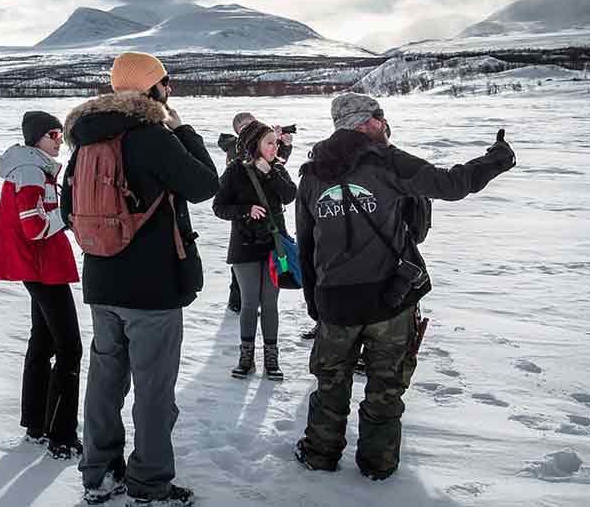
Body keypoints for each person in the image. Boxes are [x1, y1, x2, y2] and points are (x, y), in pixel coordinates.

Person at [294, 92, 516, 480]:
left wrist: (315, 303)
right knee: (385, 389)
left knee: (330, 385)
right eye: (379, 117)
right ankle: (378, 465)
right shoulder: (388, 161)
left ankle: (319, 456)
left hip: (335, 304)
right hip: (389, 304)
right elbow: (451, 184)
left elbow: (306, 245)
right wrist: (497, 159)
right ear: (365, 122)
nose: (384, 123)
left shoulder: (312, 175)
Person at [61, 52, 218, 507]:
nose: (170, 89)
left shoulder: (86, 141)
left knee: (105, 381)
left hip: (101, 283)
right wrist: (183, 130)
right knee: (153, 388)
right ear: (152, 88)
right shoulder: (153, 137)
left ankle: (99, 473)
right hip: (152, 289)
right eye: (166, 82)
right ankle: (149, 484)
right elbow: (205, 185)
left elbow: (70, 210)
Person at [0, 111, 83, 459]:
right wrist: (70, 214)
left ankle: (35, 424)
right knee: (69, 348)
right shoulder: (31, 171)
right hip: (42, 268)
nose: (59, 138)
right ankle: (61, 436)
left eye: (60, 133)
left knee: (43, 341)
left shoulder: (35, 168)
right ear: (36, 138)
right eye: (53, 133)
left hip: (40, 268)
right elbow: (34, 227)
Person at [213, 120, 297, 380]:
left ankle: (271, 357)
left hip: (275, 247)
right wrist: (245, 211)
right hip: (244, 246)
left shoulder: (278, 169)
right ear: (255, 145)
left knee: (270, 303)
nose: (275, 147)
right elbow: (219, 207)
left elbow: (290, 195)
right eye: (269, 143)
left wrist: (271, 173)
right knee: (249, 303)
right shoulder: (235, 171)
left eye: (275, 142)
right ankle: (246, 356)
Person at [218, 113, 294, 313]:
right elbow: (221, 203)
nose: (251, 126)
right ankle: (236, 303)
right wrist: (245, 211)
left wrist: (282, 147)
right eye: (245, 126)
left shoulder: (273, 161)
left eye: (253, 123)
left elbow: (287, 191)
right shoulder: (236, 156)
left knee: (269, 301)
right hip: (245, 238)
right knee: (245, 289)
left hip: (273, 237)